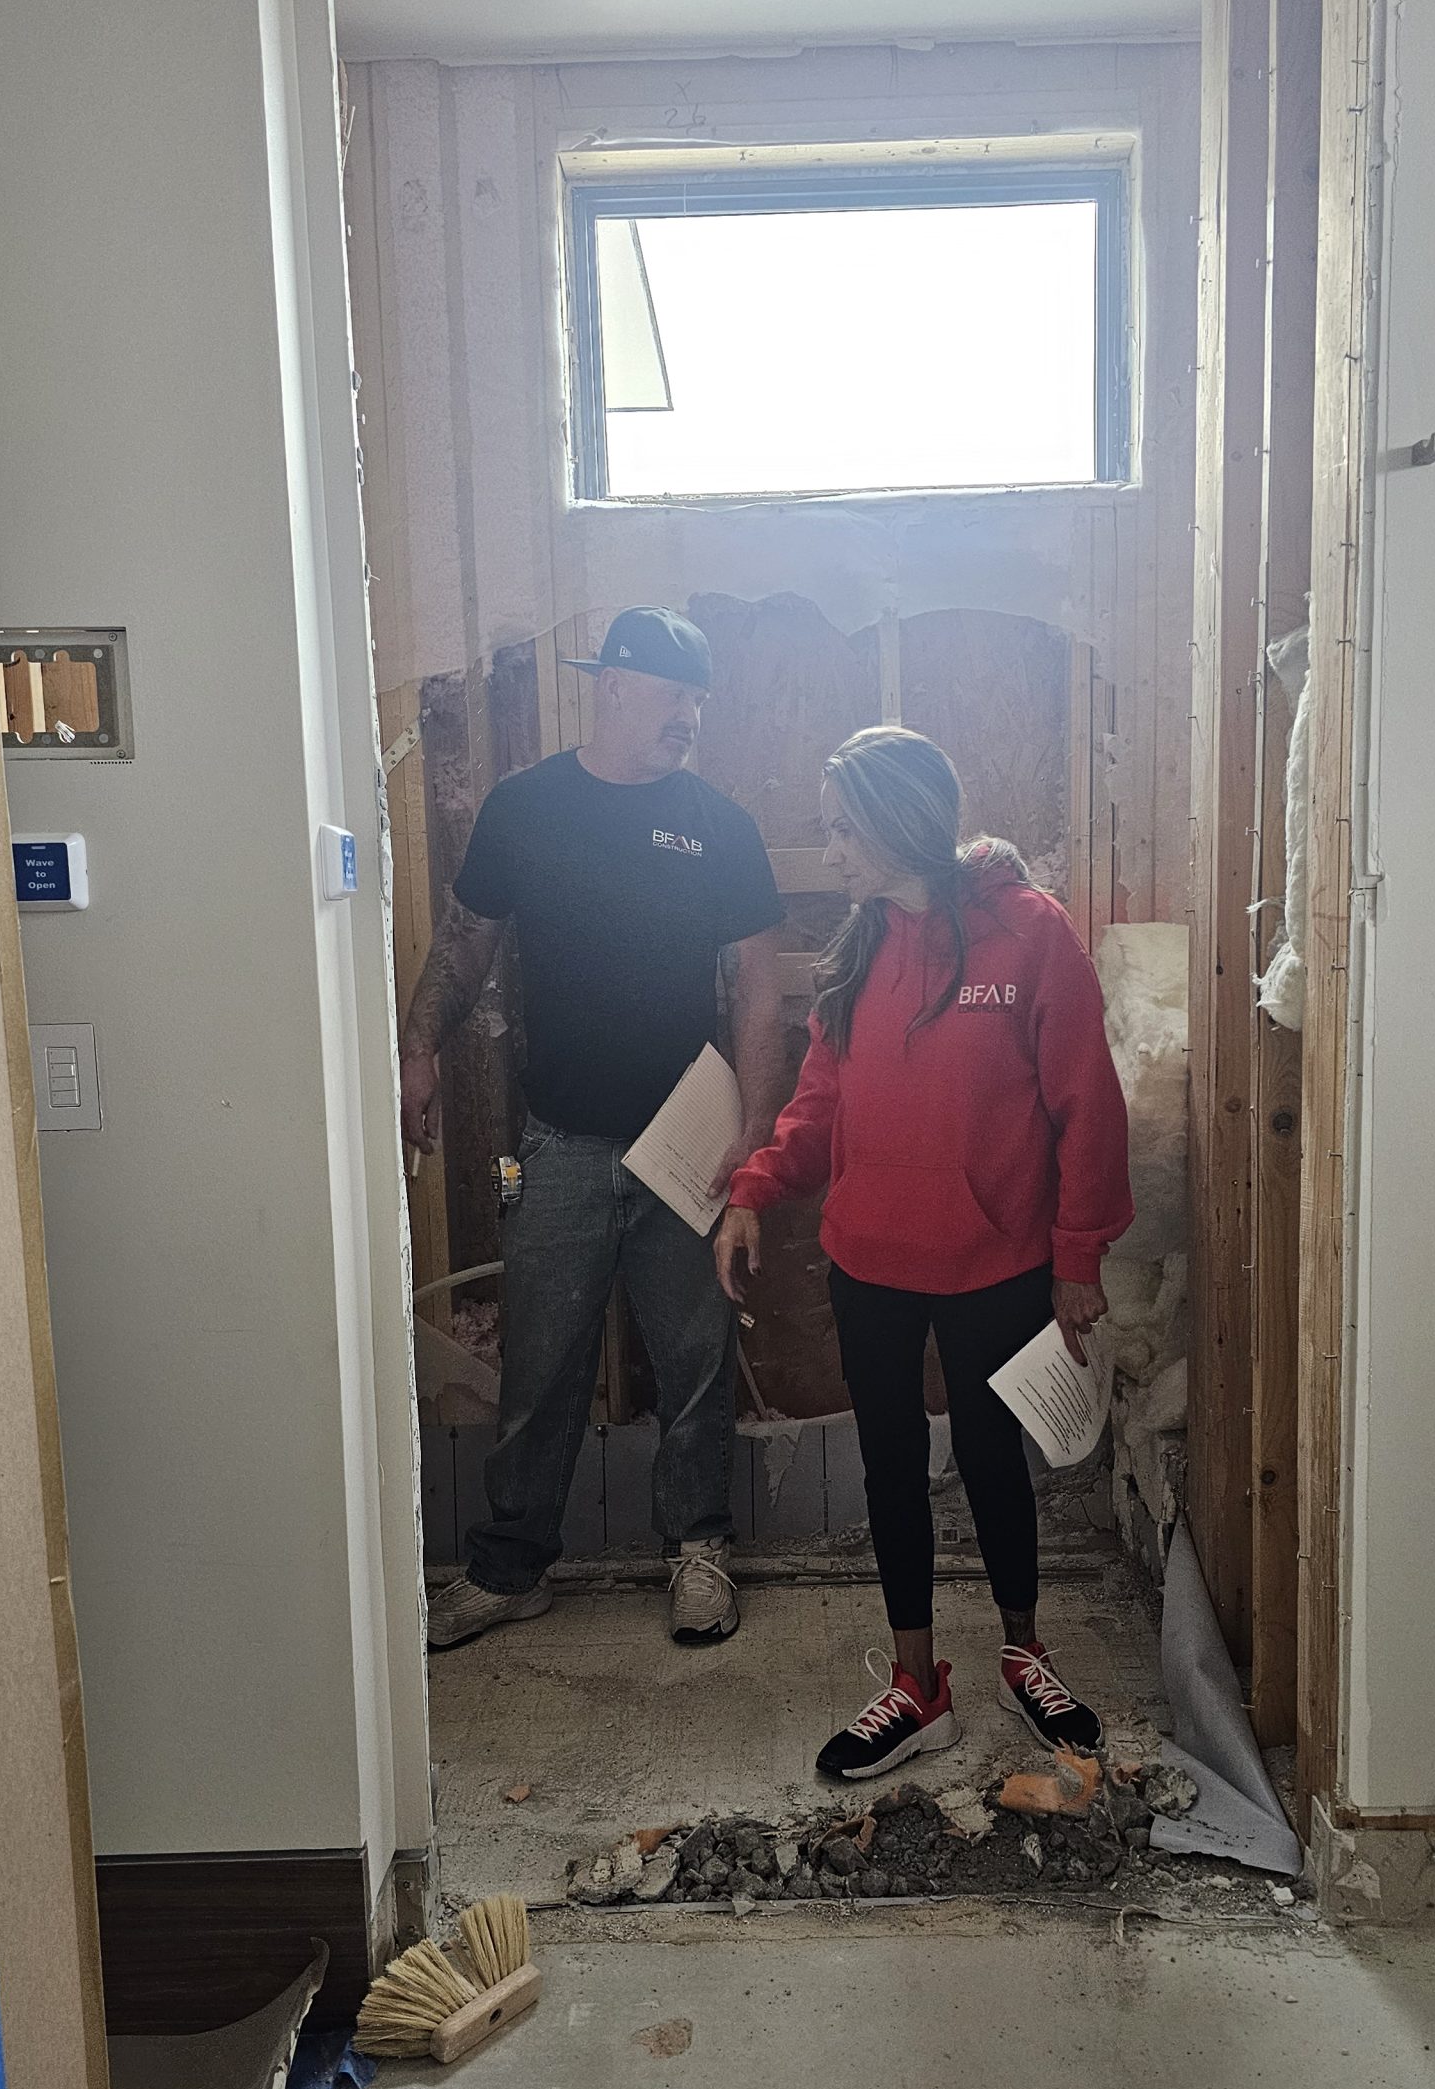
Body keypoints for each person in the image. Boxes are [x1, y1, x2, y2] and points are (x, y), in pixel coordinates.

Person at [715, 727, 1133, 1781]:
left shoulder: (1030, 933)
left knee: (993, 1458)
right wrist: (757, 1186)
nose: (831, 852)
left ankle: (1024, 1654)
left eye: (842, 830)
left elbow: (1088, 1107)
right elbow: (820, 1105)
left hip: (997, 1260)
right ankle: (917, 1686)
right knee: (891, 1465)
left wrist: (1078, 1256)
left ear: (898, 823)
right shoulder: (857, 949)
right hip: (870, 1265)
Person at [401, 608, 785, 1650]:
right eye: (673, 695)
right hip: (558, 1142)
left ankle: (697, 1550)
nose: (689, 716)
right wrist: (419, 1045)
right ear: (612, 687)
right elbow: (467, 942)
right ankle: (510, 1568)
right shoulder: (525, 809)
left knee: (696, 1361)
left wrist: (754, 1135)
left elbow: (759, 990)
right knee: (540, 1369)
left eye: (700, 700)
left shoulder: (718, 824)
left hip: (686, 1142)